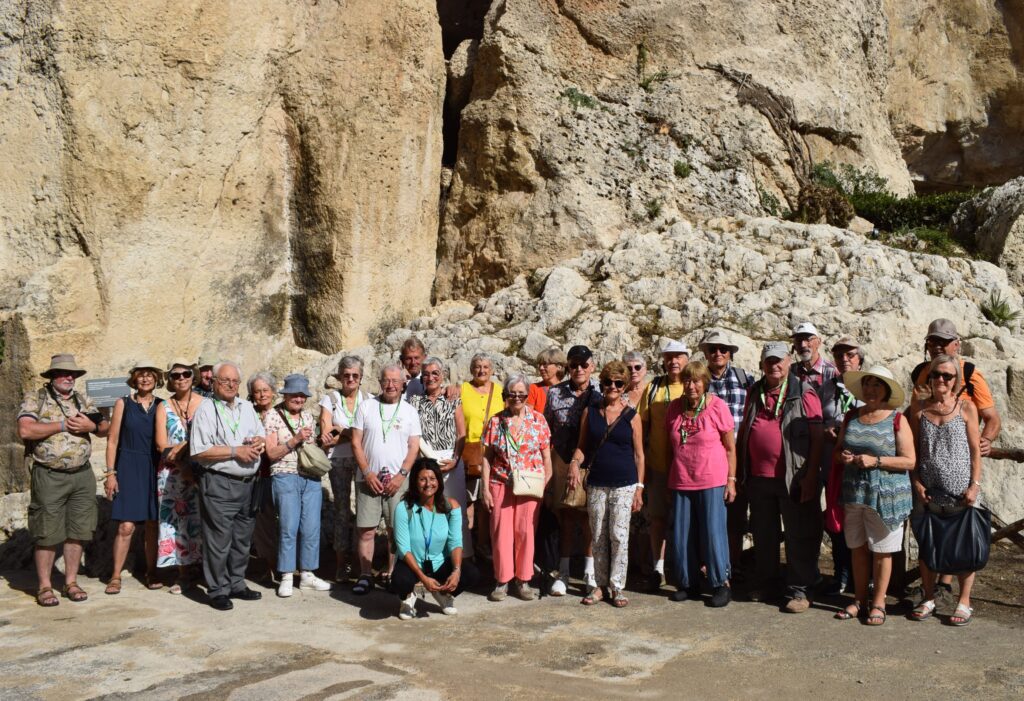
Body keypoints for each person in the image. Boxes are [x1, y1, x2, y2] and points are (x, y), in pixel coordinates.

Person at [909, 318, 1000, 604]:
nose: (937, 347)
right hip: (931, 468)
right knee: (933, 533)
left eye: (943, 342)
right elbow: (915, 425)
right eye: (932, 342)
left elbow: (991, 417)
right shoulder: (922, 374)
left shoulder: (971, 374)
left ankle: (950, 590)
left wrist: (985, 440)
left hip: (962, 463)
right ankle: (933, 592)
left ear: (956, 344)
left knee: (961, 534)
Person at [737, 342, 823, 613]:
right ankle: (767, 582)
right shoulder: (755, 391)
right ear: (762, 364)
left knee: (800, 535)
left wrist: (811, 475)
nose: (774, 365)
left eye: (779, 360)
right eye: (769, 361)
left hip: (793, 476)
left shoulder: (803, 392)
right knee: (764, 534)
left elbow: (818, 439)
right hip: (759, 477)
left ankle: (800, 590)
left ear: (789, 362)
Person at [18, 354, 109, 606]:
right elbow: (25, 430)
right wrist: (62, 426)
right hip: (49, 475)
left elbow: (105, 427)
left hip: (82, 475)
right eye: (63, 373)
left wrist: (91, 427)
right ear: (52, 376)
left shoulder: (82, 399)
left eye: (73, 374)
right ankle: (45, 587)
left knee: (77, 532)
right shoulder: (36, 398)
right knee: (46, 533)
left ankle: (70, 582)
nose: (69, 377)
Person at [832, 366, 915, 626]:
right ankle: (859, 600)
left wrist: (876, 460)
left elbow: (910, 461)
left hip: (886, 496)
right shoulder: (851, 416)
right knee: (857, 548)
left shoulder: (897, 419)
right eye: (867, 384)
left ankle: (878, 603)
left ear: (887, 390)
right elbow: (836, 452)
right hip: (855, 492)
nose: (870, 389)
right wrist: (843, 456)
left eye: (877, 385)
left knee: (882, 551)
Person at [907, 355, 984, 626]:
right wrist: (916, 481)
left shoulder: (966, 408)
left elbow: (976, 451)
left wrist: (975, 485)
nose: (941, 379)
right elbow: (913, 450)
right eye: (936, 374)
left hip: (961, 491)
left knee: (964, 546)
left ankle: (964, 601)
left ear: (956, 381)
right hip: (928, 491)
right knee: (928, 544)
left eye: (947, 376)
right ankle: (928, 596)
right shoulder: (919, 409)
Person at [190, 361, 267, 610]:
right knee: (218, 540)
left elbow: (260, 434)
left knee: (242, 539)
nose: (231, 385)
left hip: (248, 484)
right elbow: (200, 451)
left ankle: (237, 583)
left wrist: (258, 441)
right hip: (219, 484)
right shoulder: (205, 409)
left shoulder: (246, 407)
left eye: (235, 381)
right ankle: (218, 590)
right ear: (213, 382)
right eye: (225, 381)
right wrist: (236, 452)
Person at [567, 361, 644, 607]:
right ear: (602, 383)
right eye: (608, 382)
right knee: (598, 535)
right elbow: (582, 445)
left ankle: (617, 586)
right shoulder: (591, 412)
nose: (612, 387)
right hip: (597, 483)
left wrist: (640, 489)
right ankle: (599, 585)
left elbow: (639, 455)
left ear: (624, 386)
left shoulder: (633, 416)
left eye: (618, 383)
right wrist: (573, 463)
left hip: (624, 483)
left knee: (619, 536)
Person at [665, 361, 736, 607]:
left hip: (712, 479)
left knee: (713, 533)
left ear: (705, 383)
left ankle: (720, 583)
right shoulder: (674, 408)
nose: (691, 386)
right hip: (682, 479)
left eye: (696, 381)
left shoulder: (717, 406)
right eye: (687, 380)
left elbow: (730, 448)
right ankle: (688, 583)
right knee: (682, 535)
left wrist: (731, 480)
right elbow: (669, 446)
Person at [351, 362, 421, 595]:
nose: (390, 385)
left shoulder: (410, 411)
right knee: (367, 530)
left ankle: (392, 573)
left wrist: (402, 475)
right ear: (380, 383)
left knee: (395, 530)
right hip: (367, 479)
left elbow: (413, 447)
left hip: (397, 481)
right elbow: (355, 442)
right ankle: (364, 574)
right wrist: (367, 472)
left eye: (395, 381)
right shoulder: (366, 407)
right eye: (386, 381)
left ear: (403, 384)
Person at [482, 374, 552, 601]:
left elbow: (546, 456)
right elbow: (486, 458)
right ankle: (502, 580)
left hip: (530, 485)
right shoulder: (495, 421)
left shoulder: (538, 420)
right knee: (501, 532)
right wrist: (485, 488)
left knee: (525, 532)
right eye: (512, 395)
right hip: (500, 482)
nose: (517, 399)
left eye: (521, 394)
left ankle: (523, 580)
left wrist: (545, 482)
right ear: (505, 396)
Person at [262, 374, 331, 597]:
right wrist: (295, 439)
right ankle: (287, 575)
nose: (299, 399)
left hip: (309, 476)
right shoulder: (273, 415)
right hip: (284, 475)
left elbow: (310, 449)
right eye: (295, 395)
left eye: (303, 395)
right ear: (286, 394)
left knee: (311, 527)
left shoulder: (308, 417)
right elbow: (271, 453)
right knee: (288, 527)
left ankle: (308, 574)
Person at [544, 344, 602, 596]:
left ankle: (589, 572)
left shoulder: (602, 391)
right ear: (567, 367)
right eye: (574, 365)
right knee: (566, 516)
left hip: (592, 461)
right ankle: (564, 572)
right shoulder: (555, 393)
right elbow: (546, 427)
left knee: (589, 517)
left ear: (592, 366)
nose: (579, 369)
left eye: (583, 364)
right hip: (562, 460)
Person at [392, 459, 481, 619]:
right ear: (414, 482)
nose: (428, 484)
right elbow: (404, 548)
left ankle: (443, 594)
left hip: (439, 562)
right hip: (413, 563)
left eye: (432, 479)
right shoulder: (403, 508)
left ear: (439, 481)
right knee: (400, 581)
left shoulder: (451, 506)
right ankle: (407, 598)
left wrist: (456, 571)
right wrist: (423, 578)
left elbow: (455, 542)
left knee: (471, 574)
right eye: (422, 479)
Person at [104, 361, 165, 594]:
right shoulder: (123, 403)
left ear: (156, 379)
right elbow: (112, 440)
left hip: (154, 466)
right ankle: (116, 575)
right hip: (129, 466)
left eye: (150, 375)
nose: (145, 379)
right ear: (134, 379)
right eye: (141, 375)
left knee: (152, 524)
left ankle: (152, 572)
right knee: (126, 526)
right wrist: (111, 473)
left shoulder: (162, 405)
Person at [636, 339, 689, 591]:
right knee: (657, 519)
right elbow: (642, 426)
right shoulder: (654, 387)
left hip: (687, 468)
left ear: (687, 359)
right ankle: (658, 567)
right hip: (658, 465)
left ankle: (682, 568)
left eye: (678, 356)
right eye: (669, 357)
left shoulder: (693, 386)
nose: (673, 361)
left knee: (684, 520)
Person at [698, 329, 752, 577]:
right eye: (712, 349)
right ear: (705, 353)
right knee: (707, 512)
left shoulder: (745, 379)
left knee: (736, 511)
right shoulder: (697, 381)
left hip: (737, 454)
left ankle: (733, 562)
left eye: (723, 349)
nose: (718, 353)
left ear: (730, 353)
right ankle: (708, 561)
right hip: (706, 457)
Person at [409, 357, 470, 555]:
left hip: (451, 460)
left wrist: (456, 459)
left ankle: (462, 556)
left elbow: (461, 434)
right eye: (426, 374)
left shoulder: (453, 399)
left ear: (442, 375)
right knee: (429, 510)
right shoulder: (414, 402)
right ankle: (433, 556)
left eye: (435, 373)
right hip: (426, 463)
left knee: (455, 510)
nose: (430, 377)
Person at [154, 360, 205, 594]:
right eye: (176, 376)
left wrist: (184, 446)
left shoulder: (205, 404)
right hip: (173, 473)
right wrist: (182, 462)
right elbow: (161, 444)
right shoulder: (164, 407)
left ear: (192, 377)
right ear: (170, 380)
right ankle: (183, 573)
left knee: (202, 518)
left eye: (186, 374)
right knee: (177, 521)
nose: (181, 378)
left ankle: (205, 570)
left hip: (200, 470)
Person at [818, 336, 864, 595]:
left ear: (860, 359)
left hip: (860, 467)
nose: (844, 360)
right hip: (833, 466)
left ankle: (862, 577)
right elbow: (818, 420)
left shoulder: (869, 387)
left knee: (860, 520)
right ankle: (841, 574)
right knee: (836, 521)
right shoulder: (826, 388)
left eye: (850, 355)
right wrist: (828, 429)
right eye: (839, 356)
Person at [319, 356, 369, 581]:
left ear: (361, 378)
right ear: (339, 376)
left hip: (361, 460)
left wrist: (344, 431)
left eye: (355, 375)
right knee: (341, 512)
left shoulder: (369, 400)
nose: (350, 379)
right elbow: (327, 440)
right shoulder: (330, 400)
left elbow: (370, 435)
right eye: (346, 375)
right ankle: (341, 565)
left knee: (363, 512)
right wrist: (354, 433)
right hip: (337, 461)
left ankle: (361, 565)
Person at [460, 353, 503, 556]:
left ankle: (484, 547)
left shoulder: (500, 391)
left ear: (492, 370)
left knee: (488, 503)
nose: (481, 370)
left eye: (486, 367)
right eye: (477, 366)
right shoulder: (462, 390)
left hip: (494, 454)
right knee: (468, 502)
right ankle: (468, 549)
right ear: (471, 369)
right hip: (470, 453)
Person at [246, 372, 278, 579]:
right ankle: (270, 566)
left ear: (273, 392)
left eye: (265, 390)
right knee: (262, 524)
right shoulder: (247, 414)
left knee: (282, 523)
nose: (261, 395)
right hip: (255, 475)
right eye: (257, 391)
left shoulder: (281, 414)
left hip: (277, 474)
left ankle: (284, 566)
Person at [790, 322, 837, 390]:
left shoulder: (832, 371)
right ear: (794, 346)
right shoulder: (791, 371)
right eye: (798, 341)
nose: (803, 345)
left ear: (819, 342)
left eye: (808, 339)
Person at [527, 347, 567, 415]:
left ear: (559, 367)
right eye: (540, 364)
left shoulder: (567, 390)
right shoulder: (534, 389)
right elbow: (528, 416)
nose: (541, 368)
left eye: (545, 364)